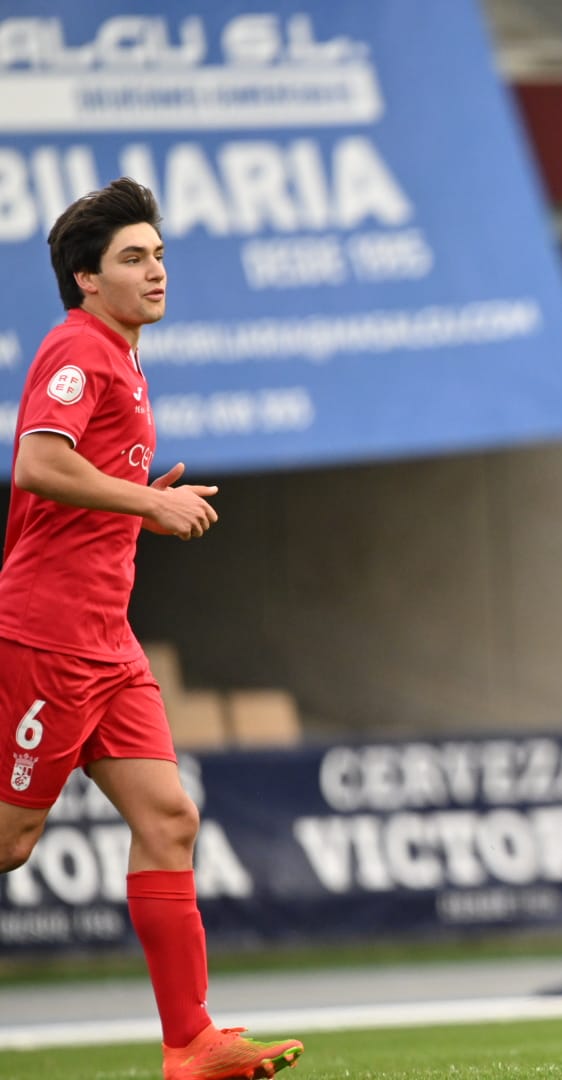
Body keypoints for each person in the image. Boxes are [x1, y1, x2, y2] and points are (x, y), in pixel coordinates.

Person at [0, 179, 305, 1080]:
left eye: (159, 254)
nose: (156, 270)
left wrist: (135, 500)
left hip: (109, 641)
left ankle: (192, 1044)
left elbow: (78, 482)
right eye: (133, 258)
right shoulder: (78, 350)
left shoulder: (124, 357)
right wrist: (148, 502)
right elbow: (36, 466)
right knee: (12, 842)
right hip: (51, 636)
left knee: (169, 818)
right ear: (87, 279)